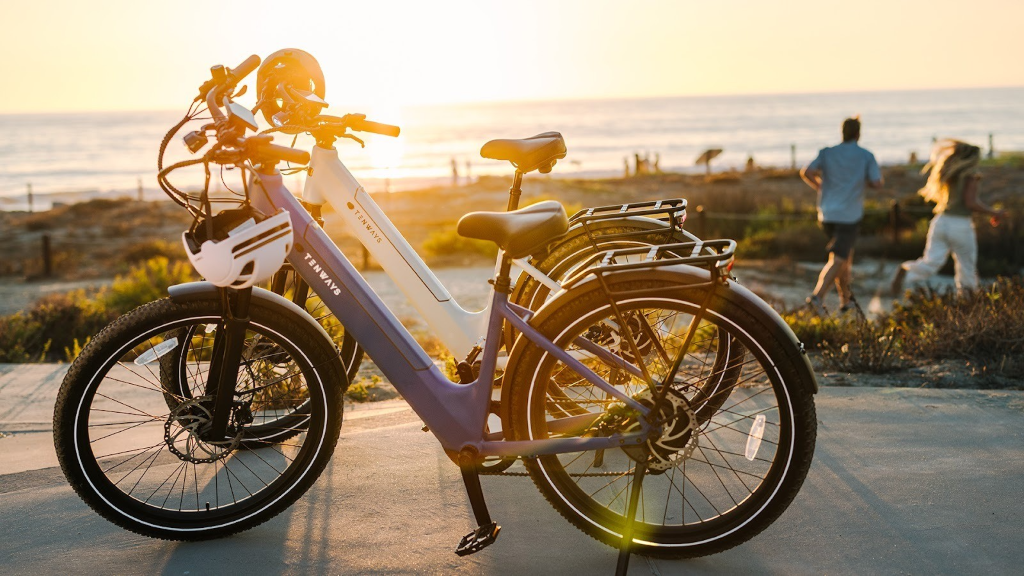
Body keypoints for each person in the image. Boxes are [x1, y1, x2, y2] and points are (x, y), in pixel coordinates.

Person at [890, 140, 1005, 295]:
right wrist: (994, 212)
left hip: (940, 222)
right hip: (960, 225)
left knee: (931, 262)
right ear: (971, 158)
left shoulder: (949, 173)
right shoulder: (971, 176)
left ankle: (906, 269)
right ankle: (967, 302)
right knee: (966, 268)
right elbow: (970, 202)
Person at [800, 117, 884, 315]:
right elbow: (877, 183)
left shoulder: (827, 152)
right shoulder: (865, 156)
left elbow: (807, 172)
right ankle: (816, 297)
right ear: (858, 133)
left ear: (842, 132)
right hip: (849, 216)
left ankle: (846, 302)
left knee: (844, 260)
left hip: (827, 214)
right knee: (839, 259)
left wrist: (820, 185)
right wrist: (865, 182)